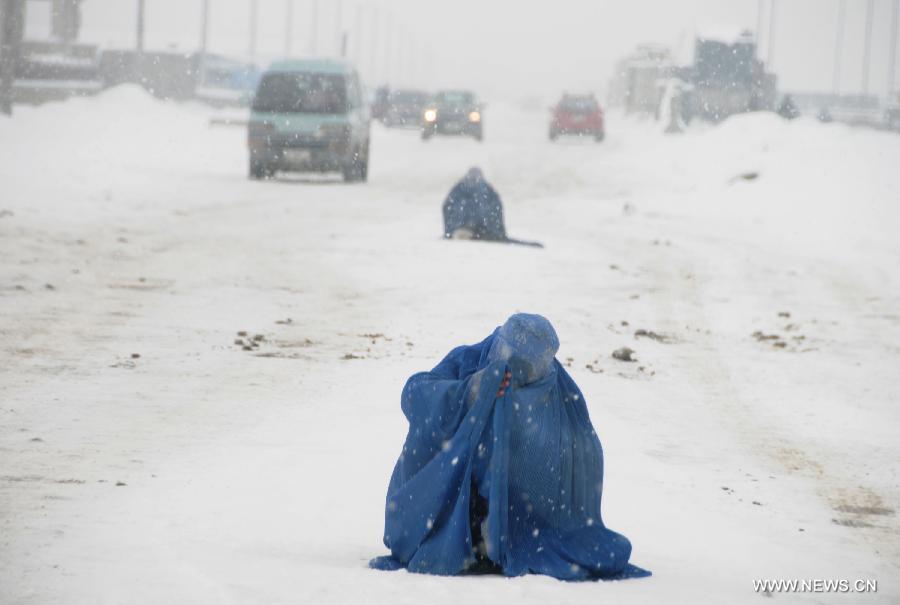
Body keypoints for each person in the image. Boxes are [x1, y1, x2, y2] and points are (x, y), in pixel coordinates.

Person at [369, 313, 649, 581]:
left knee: (601, 550)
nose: (510, 373)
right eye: (506, 360)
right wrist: (469, 392)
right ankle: (464, 535)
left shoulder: (558, 397)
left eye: (523, 370)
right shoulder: (468, 360)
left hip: (524, 516)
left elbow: (576, 457)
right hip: (446, 503)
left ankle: (496, 537)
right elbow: (413, 394)